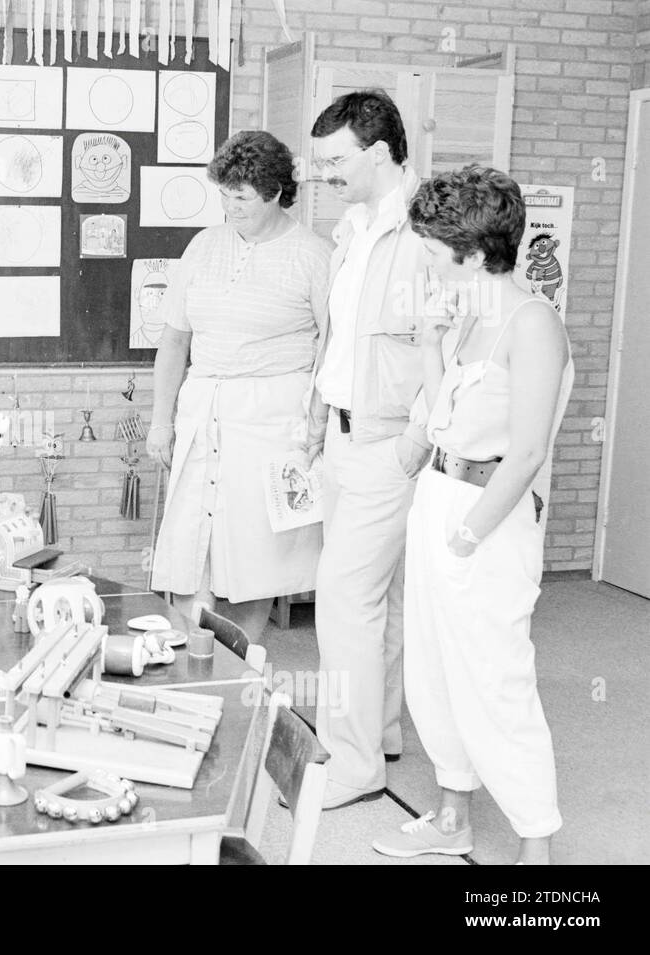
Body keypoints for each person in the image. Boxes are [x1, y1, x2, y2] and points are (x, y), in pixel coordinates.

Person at [372, 166, 572, 865]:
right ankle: (452, 814)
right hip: (441, 495)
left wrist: (467, 534)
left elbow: (525, 454)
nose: (424, 261)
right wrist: (431, 346)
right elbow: (444, 421)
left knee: (496, 677)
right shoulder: (468, 320)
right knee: (433, 670)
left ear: (473, 250)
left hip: (488, 515)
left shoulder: (533, 323)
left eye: (432, 249)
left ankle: (535, 845)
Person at [147, 130, 332, 645]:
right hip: (203, 411)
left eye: (242, 196)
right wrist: (161, 422)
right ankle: (191, 656)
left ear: (275, 192)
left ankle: (239, 660)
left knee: (252, 559)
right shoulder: (203, 246)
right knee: (190, 549)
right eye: (224, 193)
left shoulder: (314, 255)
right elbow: (174, 340)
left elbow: (333, 351)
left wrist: (318, 425)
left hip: (272, 421)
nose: (230, 206)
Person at [305, 90, 434, 809]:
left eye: (334, 160)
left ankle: (352, 764)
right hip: (339, 436)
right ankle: (380, 730)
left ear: (380, 152)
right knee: (376, 600)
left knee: (344, 600)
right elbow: (339, 338)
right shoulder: (352, 228)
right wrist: (314, 414)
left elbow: (441, 343)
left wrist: (414, 443)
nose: (322, 174)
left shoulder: (425, 233)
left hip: (388, 445)